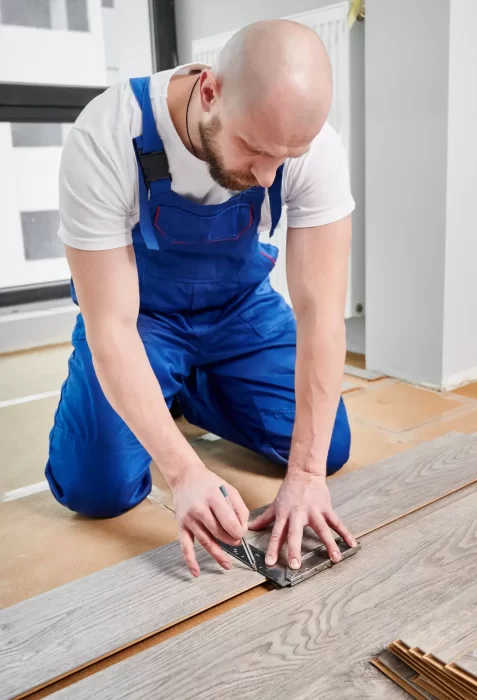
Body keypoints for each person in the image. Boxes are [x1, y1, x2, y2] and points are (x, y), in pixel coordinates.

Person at [45, 18, 357, 577]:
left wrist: (306, 477)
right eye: (255, 150)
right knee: (97, 490)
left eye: (283, 160)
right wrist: (184, 472)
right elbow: (111, 326)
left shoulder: (310, 148)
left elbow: (320, 314)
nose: (267, 177)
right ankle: (157, 385)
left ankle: (189, 391)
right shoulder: (108, 135)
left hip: (240, 314)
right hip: (141, 322)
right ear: (209, 90)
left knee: (326, 446)